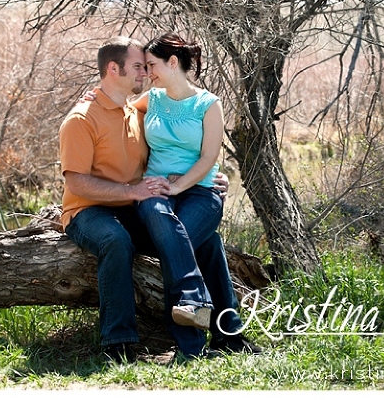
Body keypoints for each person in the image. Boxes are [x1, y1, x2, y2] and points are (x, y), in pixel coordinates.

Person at [59, 36, 258, 364]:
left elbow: (181, 148)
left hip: (133, 207)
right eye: (138, 67)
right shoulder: (81, 119)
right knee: (115, 240)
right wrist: (130, 192)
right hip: (88, 211)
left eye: (147, 66)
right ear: (113, 69)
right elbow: (76, 182)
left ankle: (227, 335)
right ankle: (118, 343)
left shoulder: (137, 110)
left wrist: (207, 177)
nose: (144, 74)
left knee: (207, 241)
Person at [130, 33, 260, 356]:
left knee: (177, 239)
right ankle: (223, 334)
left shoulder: (208, 105)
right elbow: (117, 111)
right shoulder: (152, 100)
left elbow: (208, 159)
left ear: (173, 63)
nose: (148, 73)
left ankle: (191, 341)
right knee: (207, 243)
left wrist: (177, 185)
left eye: (152, 65)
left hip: (201, 192)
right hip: (156, 190)